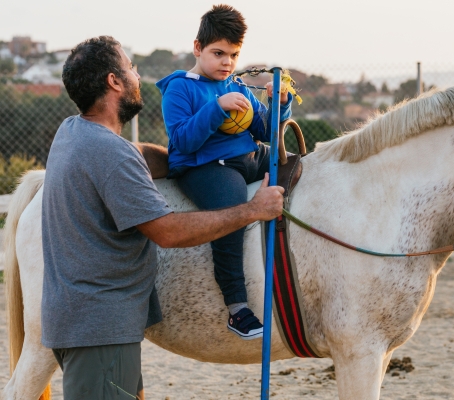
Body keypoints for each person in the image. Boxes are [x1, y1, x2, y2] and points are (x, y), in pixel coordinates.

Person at [42, 35, 284, 400]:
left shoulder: (71, 133)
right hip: (102, 329)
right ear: (114, 81)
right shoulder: (112, 154)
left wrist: (182, 164)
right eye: (131, 68)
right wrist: (254, 209)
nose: (137, 75)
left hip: (77, 324)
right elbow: (167, 231)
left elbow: (135, 154)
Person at [156, 4, 293, 340]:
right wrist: (217, 107)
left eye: (233, 55)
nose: (227, 62)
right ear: (198, 48)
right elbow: (184, 140)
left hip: (250, 155)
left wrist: (279, 104)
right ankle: (237, 307)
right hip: (205, 166)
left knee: (298, 166)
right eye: (218, 53)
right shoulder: (180, 88)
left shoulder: (238, 84)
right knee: (232, 209)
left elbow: (265, 131)